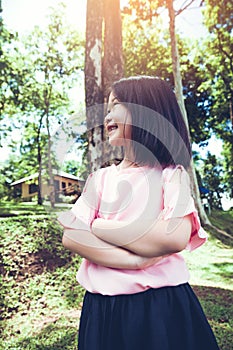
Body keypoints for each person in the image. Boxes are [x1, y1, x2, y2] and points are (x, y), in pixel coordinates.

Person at [58, 76, 219, 350]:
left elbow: (174, 236)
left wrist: (99, 227)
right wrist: (133, 262)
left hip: (161, 305)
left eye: (116, 104)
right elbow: (73, 237)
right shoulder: (100, 179)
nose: (107, 115)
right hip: (102, 309)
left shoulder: (171, 175)